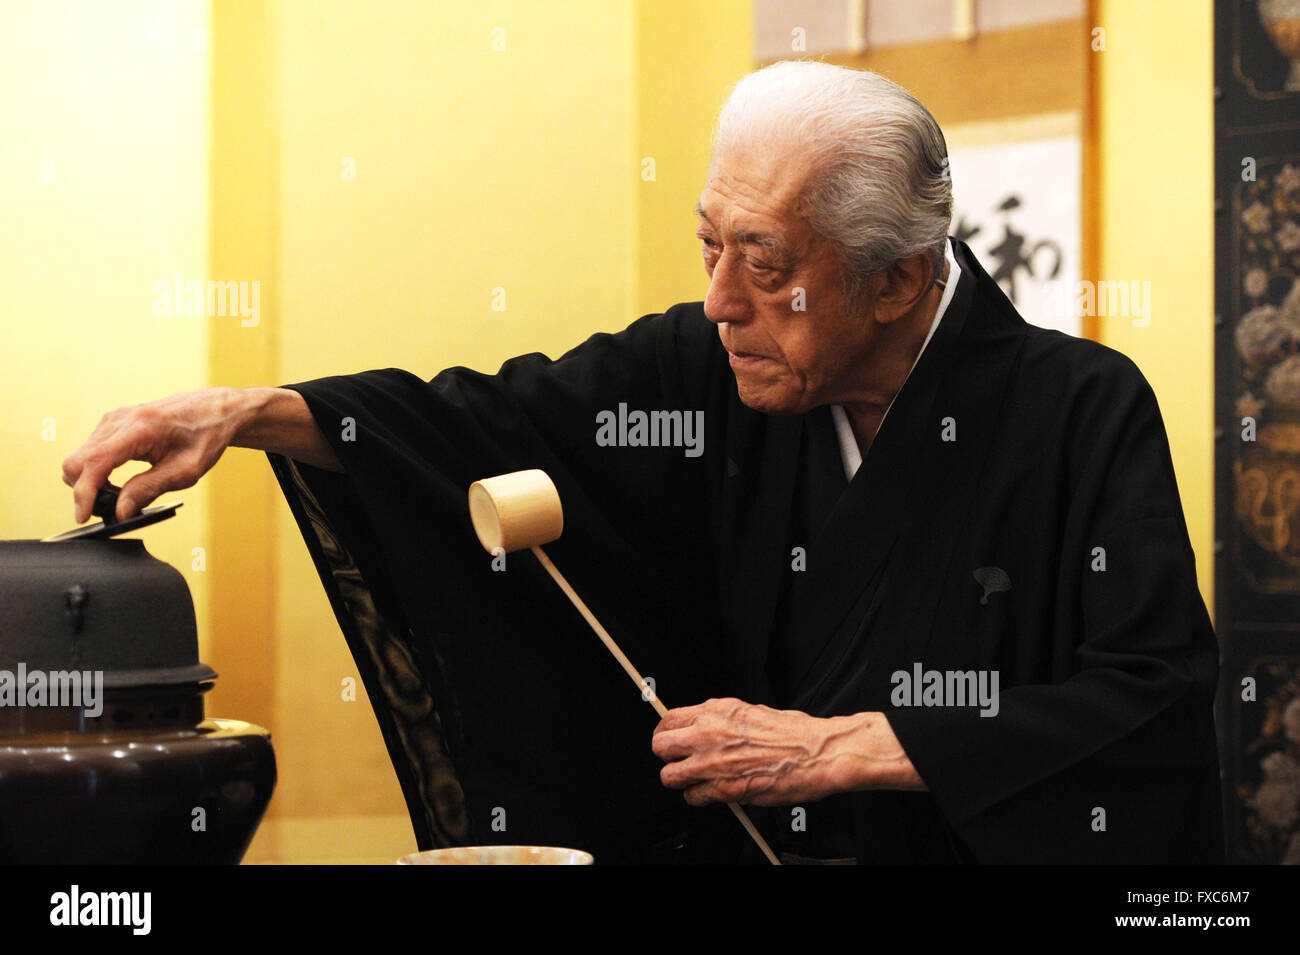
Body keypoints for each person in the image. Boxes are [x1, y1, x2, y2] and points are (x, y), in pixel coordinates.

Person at [62, 61, 1223, 864]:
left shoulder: (1076, 412)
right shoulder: (708, 368)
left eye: (764, 264)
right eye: (709, 245)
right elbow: (488, 428)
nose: (720, 302)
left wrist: (848, 748)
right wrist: (249, 410)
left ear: (898, 282)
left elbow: (1148, 700)